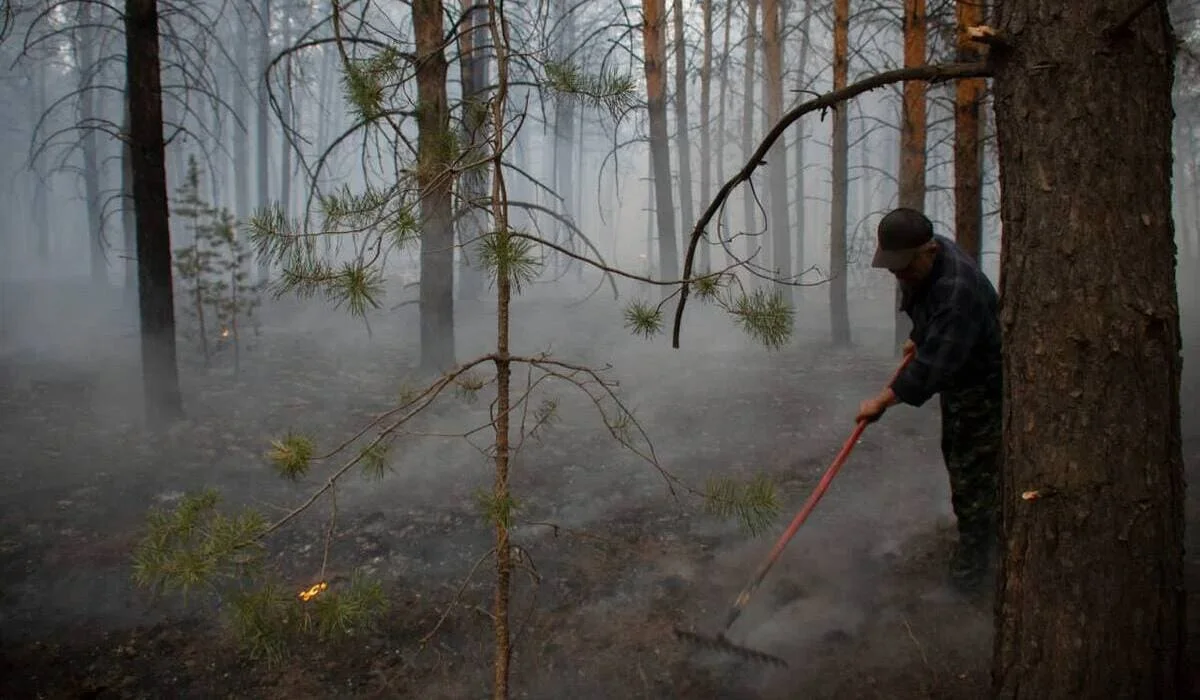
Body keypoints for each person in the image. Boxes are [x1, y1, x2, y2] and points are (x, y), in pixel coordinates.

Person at [855, 207, 1002, 594]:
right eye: (893, 267)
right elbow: (924, 305)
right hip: (960, 377)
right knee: (959, 457)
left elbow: (934, 368)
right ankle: (989, 534)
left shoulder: (958, 293)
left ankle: (972, 574)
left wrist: (882, 401)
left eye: (904, 267)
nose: (899, 275)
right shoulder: (923, 264)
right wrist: (921, 333)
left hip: (983, 387)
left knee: (973, 476)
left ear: (930, 251)